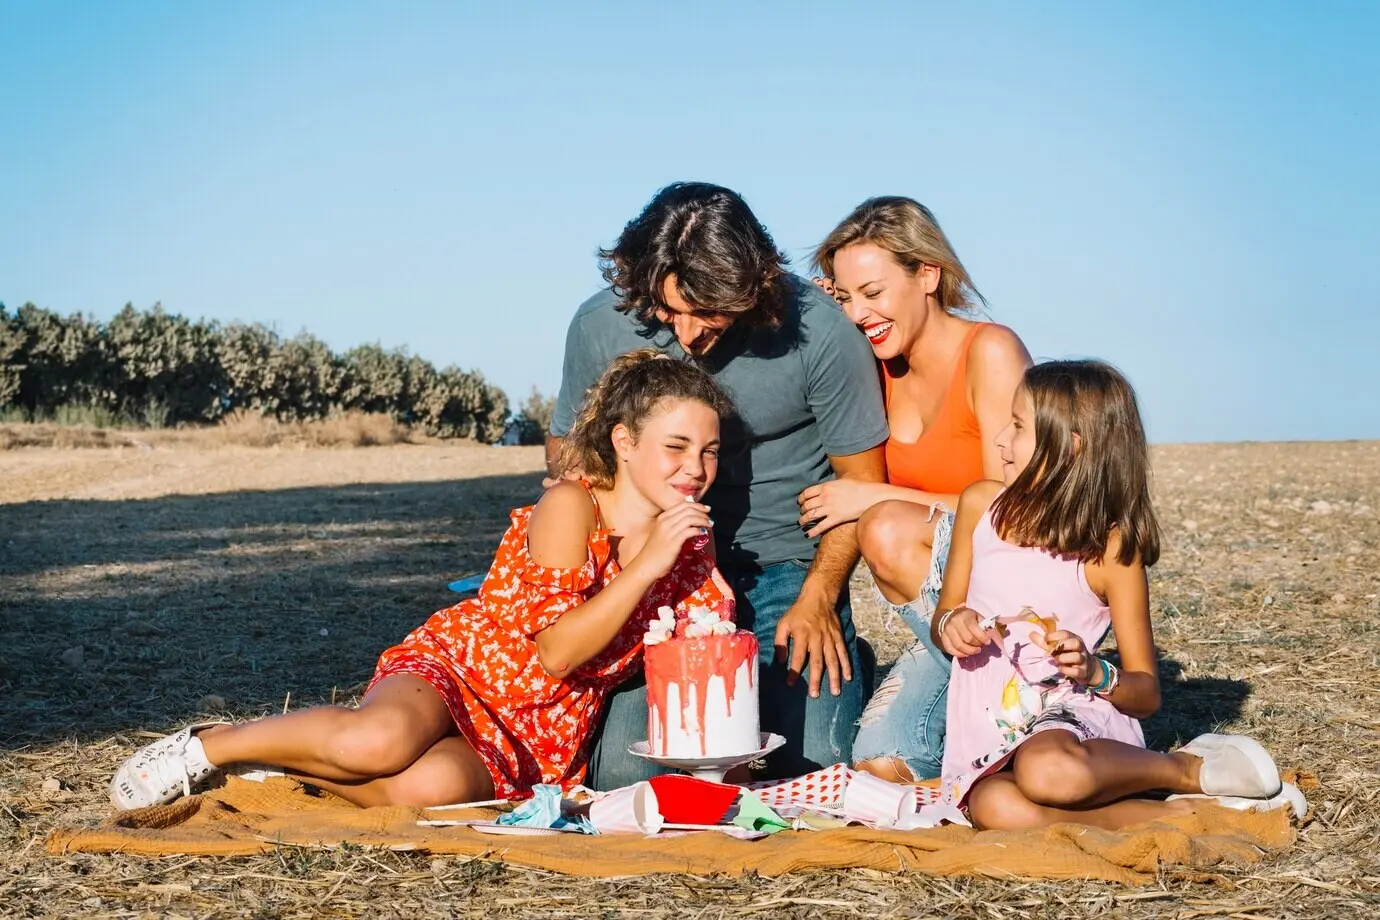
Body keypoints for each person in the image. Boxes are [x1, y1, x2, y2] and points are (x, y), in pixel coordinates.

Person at [109, 351, 737, 809]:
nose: (695, 468)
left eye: (709, 451)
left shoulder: (690, 540)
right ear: (623, 441)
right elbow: (556, 651)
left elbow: (694, 653)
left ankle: (277, 769)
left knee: (430, 790)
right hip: (467, 669)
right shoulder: (573, 505)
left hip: (543, 726)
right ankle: (210, 746)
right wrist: (650, 563)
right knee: (378, 741)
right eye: (676, 447)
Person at [547, 182, 889, 785]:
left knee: (811, 781)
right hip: (652, 575)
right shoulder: (599, 323)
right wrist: (625, 569)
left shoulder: (824, 333)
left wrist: (820, 596)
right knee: (630, 789)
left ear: (754, 286)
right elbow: (569, 461)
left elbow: (861, 487)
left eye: (709, 313)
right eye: (666, 309)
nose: (685, 335)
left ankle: (839, 656)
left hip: (787, 568)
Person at [928, 360, 1284, 830]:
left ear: (1069, 446)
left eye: (1017, 426)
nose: (999, 440)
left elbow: (1145, 694)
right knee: (993, 807)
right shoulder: (980, 506)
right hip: (987, 729)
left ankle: (1185, 770)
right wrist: (951, 623)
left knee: (1046, 770)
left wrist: (1096, 671)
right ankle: (1180, 816)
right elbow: (943, 617)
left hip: (1069, 718)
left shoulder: (1109, 551)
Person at [803, 197, 1032, 782]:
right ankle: (1014, 724)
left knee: (884, 525)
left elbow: (1018, 509)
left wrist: (871, 498)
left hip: (1013, 593)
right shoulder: (870, 366)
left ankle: (1040, 692)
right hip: (945, 619)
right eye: (845, 298)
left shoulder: (990, 351)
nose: (859, 314)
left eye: (874, 292)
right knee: (883, 766)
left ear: (928, 274)